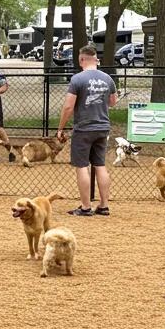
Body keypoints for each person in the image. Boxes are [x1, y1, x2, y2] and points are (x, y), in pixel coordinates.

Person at [56, 45, 118, 216]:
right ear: (95, 59)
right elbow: (113, 102)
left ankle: (85, 206)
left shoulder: (77, 79)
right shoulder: (108, 79)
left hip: (83, 128)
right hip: (102, 127)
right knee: (100, 165)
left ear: (82, 59)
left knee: (82, 166)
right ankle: (104, 205)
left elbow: (68, 106)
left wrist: (60, 128)